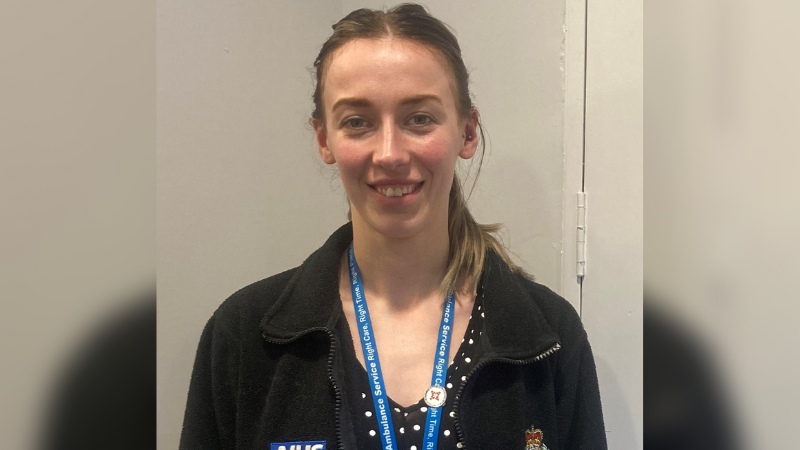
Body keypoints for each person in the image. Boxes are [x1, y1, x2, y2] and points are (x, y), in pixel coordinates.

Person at [180, 4, 607, 450]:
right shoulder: (245, 336)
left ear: (467, 131)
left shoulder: (549, 336)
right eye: (357, 122)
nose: (389, 154)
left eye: (419, 118)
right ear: (325, 139)